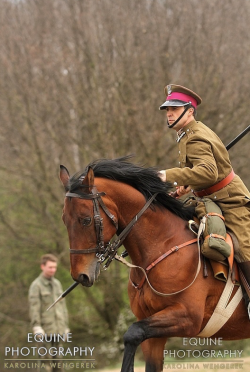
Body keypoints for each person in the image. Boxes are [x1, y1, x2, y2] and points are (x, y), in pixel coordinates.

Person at [158, 83, 250, 317]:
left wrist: (167, 175)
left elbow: (208, 172)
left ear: (190, 110)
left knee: (242, 249)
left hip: (230, 201)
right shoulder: (187, 134)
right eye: (167, 108)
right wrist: (184, 187)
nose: (169, 113)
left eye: (174, 108)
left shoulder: (196, 136)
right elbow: (203, 173)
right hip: (208, 198)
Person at [28, 254, 69, 371]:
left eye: (54, 267)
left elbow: (63, 307)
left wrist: (65, 326)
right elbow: (34, 308)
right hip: (45, 331)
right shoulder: (36, 286)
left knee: (59, 364)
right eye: (50, 267)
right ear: (42, 266)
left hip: (58, 330)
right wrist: (36, 326)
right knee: (45, 365)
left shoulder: (57, 284)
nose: (53, 270)